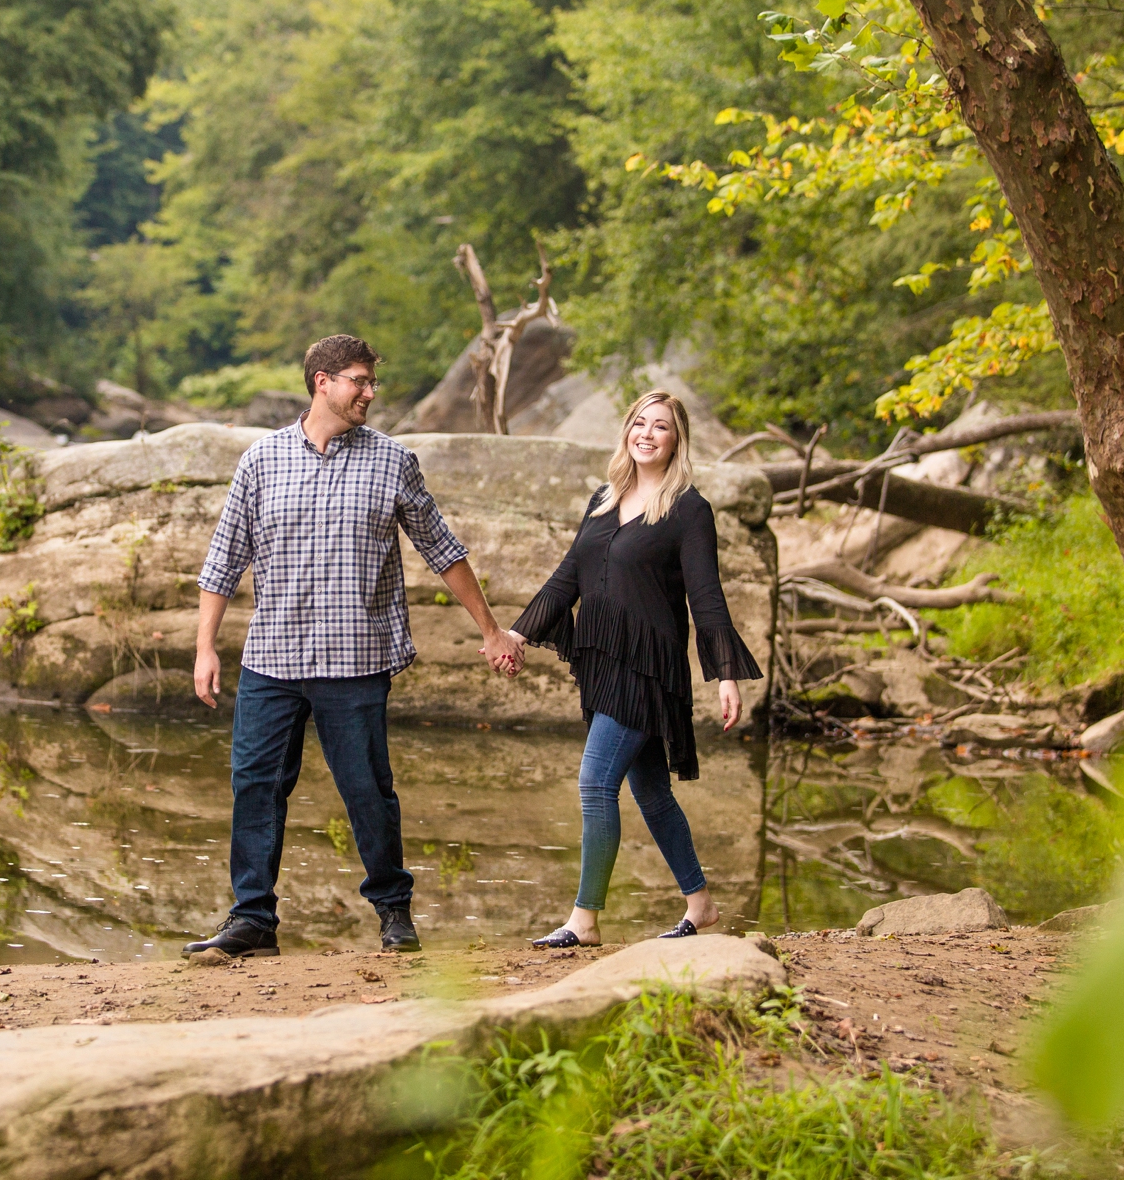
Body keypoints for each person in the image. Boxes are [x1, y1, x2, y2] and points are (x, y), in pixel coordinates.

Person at [184, 334, 524, 958]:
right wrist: (206, 648)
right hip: (272, 661)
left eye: (371, 382)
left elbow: (442, 550)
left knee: (368, 789)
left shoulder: (393, 461)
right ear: (322, 381)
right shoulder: (261, 461)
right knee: (254, 784)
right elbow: (223, 560)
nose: (370, 392)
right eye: (359, 381)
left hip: (356, 660)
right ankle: (252, 918)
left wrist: (490, 628)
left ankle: (394, 912)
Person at [507, 389, 762, 948]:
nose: (647, 433)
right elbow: (567, 576)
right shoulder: (605, 497)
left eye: (661, 427)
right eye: (639, 423)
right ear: (627, 431)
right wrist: (516, 633)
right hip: (604, 659)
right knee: (650, 793)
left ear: (677, 440)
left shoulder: (688, 509)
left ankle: (585, 920)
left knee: (595, 783)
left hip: (647, 667)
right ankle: (701, 903)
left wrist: (725, 675)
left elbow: (706, 596)